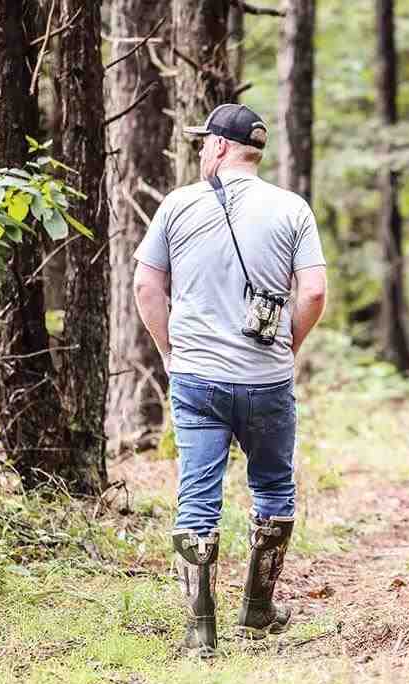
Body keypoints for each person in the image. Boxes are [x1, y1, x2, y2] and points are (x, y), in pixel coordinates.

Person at [133, 103, 328, 654]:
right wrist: (288, 345)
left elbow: (146, 288)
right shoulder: (292, 209)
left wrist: (170, 353)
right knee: (273, 487)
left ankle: (200, 628)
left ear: (219, 146)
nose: (199, 151)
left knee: (197, 495)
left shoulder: (177, 207)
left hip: (196, 378)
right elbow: (312, 292)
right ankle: (259, 607)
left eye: (203, 143)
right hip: (266, 379)